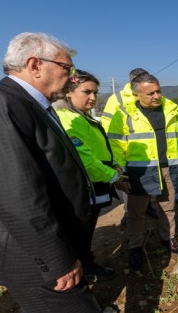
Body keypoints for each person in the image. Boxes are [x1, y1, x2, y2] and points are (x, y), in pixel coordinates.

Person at [0, 32, 102, 312]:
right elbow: (16, 195)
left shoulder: (30, 105)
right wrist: (56, 260)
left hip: (50, 248)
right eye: (68, 69)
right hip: (35, 259)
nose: (73, 78)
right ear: (34, 65)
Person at [108, 73, 178, 270]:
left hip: (167, 168)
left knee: (168, 208)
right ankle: (136, 246)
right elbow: (116, 145)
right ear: (136, 95)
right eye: (150, 93)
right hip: (140, 172)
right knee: (136, 213)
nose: (157, 96)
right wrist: (121, 173)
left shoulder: (171, 110)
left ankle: (168, 238)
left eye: (158, 91)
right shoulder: (124, 114)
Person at [53, 70, 126, 282]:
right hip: (86, 187)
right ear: (68, 93)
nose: (93, 98)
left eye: (95, 92)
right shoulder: (69, 121)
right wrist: (114, 176)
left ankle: (86, 264)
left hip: (95, 183)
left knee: (85, 231)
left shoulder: (81, 116)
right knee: (79, 233)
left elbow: (97, 149)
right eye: (87, 92)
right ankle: (83, 269)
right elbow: (84, 159)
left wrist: (114, 165)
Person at [101, 68, 151, 228]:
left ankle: (147, 207)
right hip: (125, 149)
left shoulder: (151, 93)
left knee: (146, 181)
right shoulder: (116, 99)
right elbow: (108, 125)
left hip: (145, 150)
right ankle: (129, 212)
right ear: (132, 82)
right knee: (127, 183)